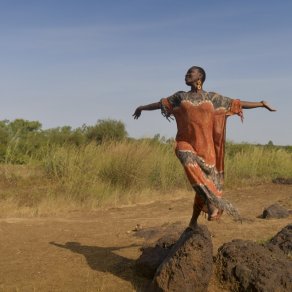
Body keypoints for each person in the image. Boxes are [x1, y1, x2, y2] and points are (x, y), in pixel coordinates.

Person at [133, 66, 276, 229]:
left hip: (207, 150)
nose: (187, 74)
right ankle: (212, 202)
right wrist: (141, 108)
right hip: (184, 142)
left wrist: (261, 104)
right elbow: (160, 104)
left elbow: (236, 103)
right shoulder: (180, 96)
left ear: (200, 77)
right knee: (186, 158)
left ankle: (193, 221)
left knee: (201, 186)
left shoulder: (212, 97)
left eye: (191, 72)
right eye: (187, 72)